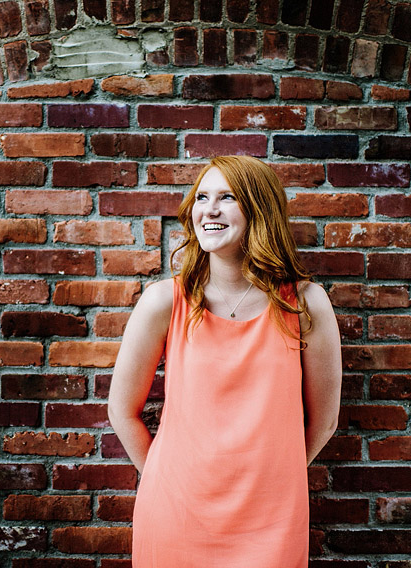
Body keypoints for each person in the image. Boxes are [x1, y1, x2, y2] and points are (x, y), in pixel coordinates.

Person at [107, 156, 342, 567]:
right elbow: (122, 411)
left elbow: (324, 421)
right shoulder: (165, 301)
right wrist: (168, 481)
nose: (209, 209)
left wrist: (272, 479)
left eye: (227, 197)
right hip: (176, 515)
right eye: (202, 197)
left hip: (271, 520)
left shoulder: (306, 304)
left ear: (259, 210)